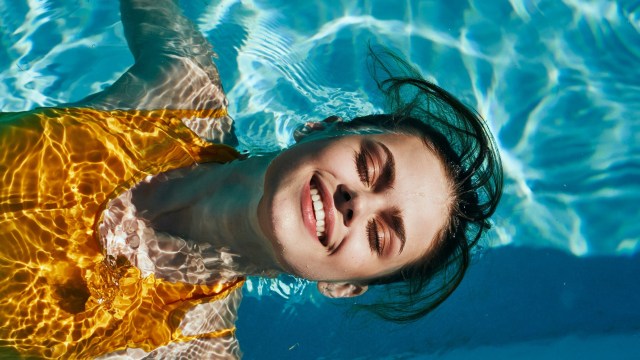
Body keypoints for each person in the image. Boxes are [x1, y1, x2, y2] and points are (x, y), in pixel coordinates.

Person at [0, 0, 502, 358]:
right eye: (369, 167)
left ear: (344, 286)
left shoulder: (186, 348)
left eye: (379, 234)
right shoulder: (179, 91)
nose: (359, 204)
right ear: (323, 128)